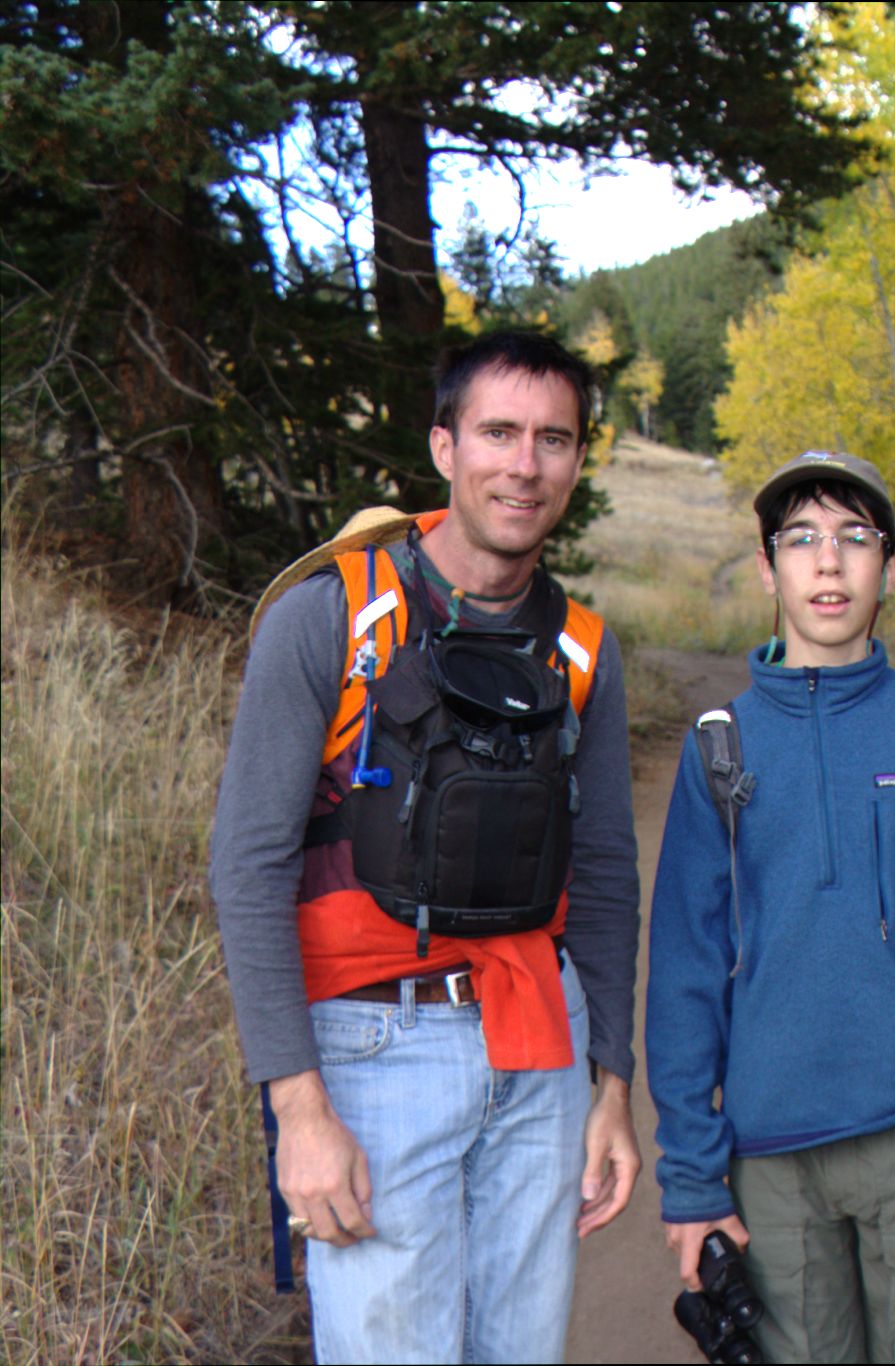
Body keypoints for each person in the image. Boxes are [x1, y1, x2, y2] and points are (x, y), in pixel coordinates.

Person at [208, 331, 642, 1364]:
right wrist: (297, 1105)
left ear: (578, 461)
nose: (524, 464)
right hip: (368, 1051)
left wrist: (611, 1084)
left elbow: (610, 870)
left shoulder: (583, 647)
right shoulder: (329, 616)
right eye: (497, 432)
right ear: (443, 445)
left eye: (553, 439)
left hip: (539, 1049)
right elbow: (248, 860)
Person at [645, 450, 895, 1364]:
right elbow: (684, 973)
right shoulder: (720, 749)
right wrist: (695, 1174)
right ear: (768, 567)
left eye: (855, 539)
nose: (829, 563)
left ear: (889, 567)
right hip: (769, 1159)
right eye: (803, 540)